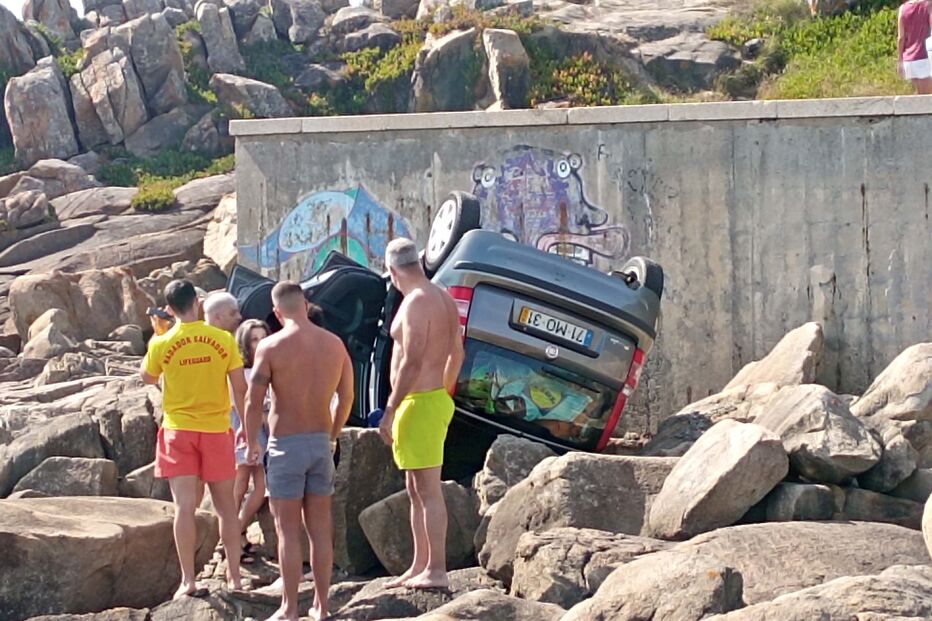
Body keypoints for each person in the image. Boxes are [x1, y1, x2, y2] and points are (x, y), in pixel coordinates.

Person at [245, 282, 354, 621]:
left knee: (287, 531)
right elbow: (347, 398)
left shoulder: (271, 346)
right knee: (321, 528)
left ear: (277, 313)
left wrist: (250, 442)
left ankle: (290, 608)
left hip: (285, 446)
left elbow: (252, 402)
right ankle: (321, 607)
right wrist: (333, 434)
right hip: (321, 442)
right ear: (306, 305)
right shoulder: (335, 345)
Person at [140, 279, 247, 598]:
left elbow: (147, 376)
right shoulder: (222, 339)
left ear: (170, 309)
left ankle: (188, 580)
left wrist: (159, 332)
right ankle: (236, 577)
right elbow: (240, 388)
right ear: (198, 303)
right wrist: (246, 429)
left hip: (178, 430)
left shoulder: (161, 342)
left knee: (184, 508)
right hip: (216, 429)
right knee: (227, 508)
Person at [378, 238, 464, 590]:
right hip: (432, 399)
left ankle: (437, 570)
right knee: (415, 488)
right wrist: (445, 389)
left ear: (393, 271)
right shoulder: (443, 296)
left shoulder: (415, 303)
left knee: (428, 489)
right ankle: (420, 563)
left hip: (420, 402)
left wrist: (390, 408)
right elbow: (457, 352)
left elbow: (411, 360)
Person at [233, 319, 272, 563]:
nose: (258, 344)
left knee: (261, 486)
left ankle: (236, 533)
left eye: (261, 338)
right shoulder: (242, 371)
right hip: (246, 426)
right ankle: (233, 535)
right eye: (253, 340)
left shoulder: (269, 365)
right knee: (241, 482)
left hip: (264, 429)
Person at [898, 0, 932, 94]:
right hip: (924, 57)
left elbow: (901, 38)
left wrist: (900, 60)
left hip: (909, 60)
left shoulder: (902, 8)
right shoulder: (928, 4)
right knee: (927, 99)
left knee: (919, 96)